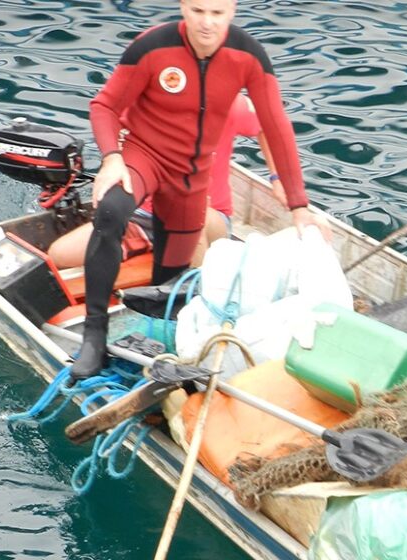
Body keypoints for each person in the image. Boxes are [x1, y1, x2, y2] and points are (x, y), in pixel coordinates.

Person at [71, 0, 319, 381]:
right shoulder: (153, 47)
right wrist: (111, 159)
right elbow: (104, 105)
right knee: (111, 209)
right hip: (145, 157)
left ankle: (156, 347)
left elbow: (276, 125)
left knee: (168, 280)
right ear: (184, 7)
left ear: (232, 11)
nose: (207, 23)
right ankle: (94, 335)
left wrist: (298, 204)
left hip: (191, 179)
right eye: (198, 11)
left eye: (217, 13)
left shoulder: (248, 56)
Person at [45, 92, 285, 269]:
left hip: (209, 218)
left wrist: (277, 178)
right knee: (59, 254)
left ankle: (193, 296)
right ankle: (137, 245)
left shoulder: (229, 105)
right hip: (142, 217)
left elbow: (269, 124)